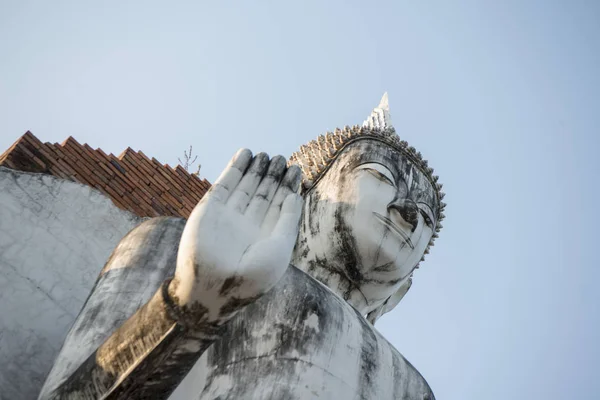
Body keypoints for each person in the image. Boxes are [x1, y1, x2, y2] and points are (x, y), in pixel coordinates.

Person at [39, 94, 445, 400]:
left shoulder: (412, 388)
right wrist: (192, 306)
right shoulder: (171, 249)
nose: (409, 211)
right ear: (300, 195)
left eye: (427, 218)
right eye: (378, 176)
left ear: (400, 293)